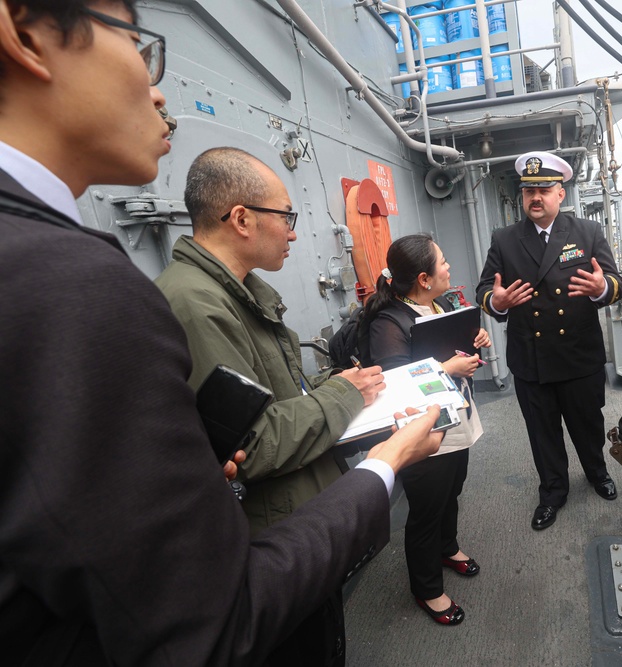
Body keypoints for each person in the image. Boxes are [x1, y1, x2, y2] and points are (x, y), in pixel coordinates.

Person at [0, 1, 441, 664]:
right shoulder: (83, 284)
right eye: (138, 44)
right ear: (25, 33)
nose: (158, 93)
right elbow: (202, 620)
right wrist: (383, 461)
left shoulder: (72, 267)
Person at [154, 146, 386, 665]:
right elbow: (251, 443)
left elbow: (269, 397)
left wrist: (332, 384)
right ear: (240, 218)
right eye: (286, 217)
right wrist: (345, 394)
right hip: (270, 538)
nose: (293, 231)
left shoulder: (230, 293)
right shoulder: (195, 304)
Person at [475, 151, 622, 531]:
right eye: (528, 191)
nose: (535, 197)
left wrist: (601, 287)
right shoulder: (505, 240)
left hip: (578, 354)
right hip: (532, 358)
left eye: (544, 189)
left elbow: (616, 282)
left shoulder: (587, 232)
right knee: (543, 434)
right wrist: (497, 302)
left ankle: (597, 473)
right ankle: (553, 492)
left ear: (561, 193)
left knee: (588, 424)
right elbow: (483, 290)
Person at [360, 234, 491, 626]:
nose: (449, 268)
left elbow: (455, 347)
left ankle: (447, 547)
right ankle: (427, 588)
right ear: (423, 277)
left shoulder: (441, 304)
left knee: (452, 491)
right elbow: (397, 382)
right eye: (443, 262)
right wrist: (448, 369)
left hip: (456, 418)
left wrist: (476, 342)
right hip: (422, 431)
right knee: (425, 510)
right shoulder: (389, 323)